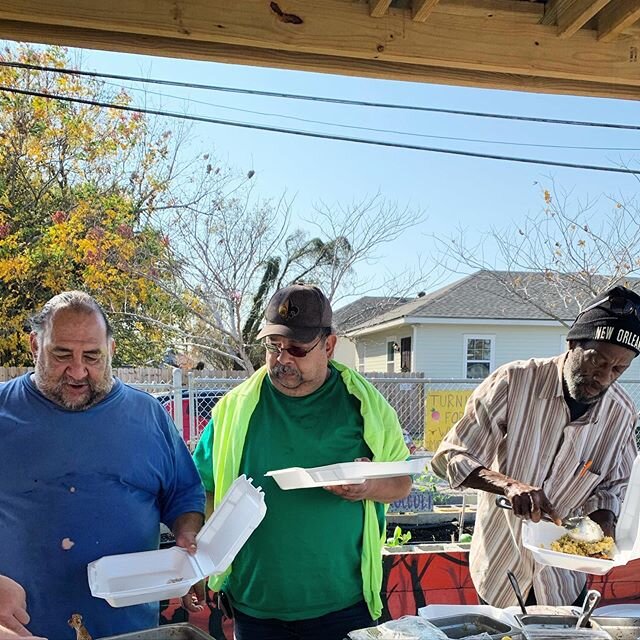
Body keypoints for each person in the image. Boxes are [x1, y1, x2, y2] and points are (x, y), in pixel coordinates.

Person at [193, 284, 412, 640]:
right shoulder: (234, 409)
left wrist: (366, 486)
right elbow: (201, 487)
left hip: (343, 606)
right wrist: (201, 562)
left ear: (328, 345)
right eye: (273, 347)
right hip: (255, 606)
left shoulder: (366, 406)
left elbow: (401, 483)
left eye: (296, 348)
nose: (282, 360)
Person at [0, 292, 206, 640]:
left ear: (110, 350)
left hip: (129, 629)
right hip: (20, 630)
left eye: (92, 356)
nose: (78, 371)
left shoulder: (149, 416)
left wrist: (188, 540)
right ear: (35, 345)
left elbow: (184, 495)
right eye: (61, 354)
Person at [431, 285, 640, 608]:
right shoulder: (513, 382)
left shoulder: (621, 414)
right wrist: (509, 486)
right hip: (501, 571)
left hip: (565, 581)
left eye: (618, 369)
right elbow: (449, 457)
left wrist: (603, 519)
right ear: (572, 343)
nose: (603, 377)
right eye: (596, 361)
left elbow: (614, 485)